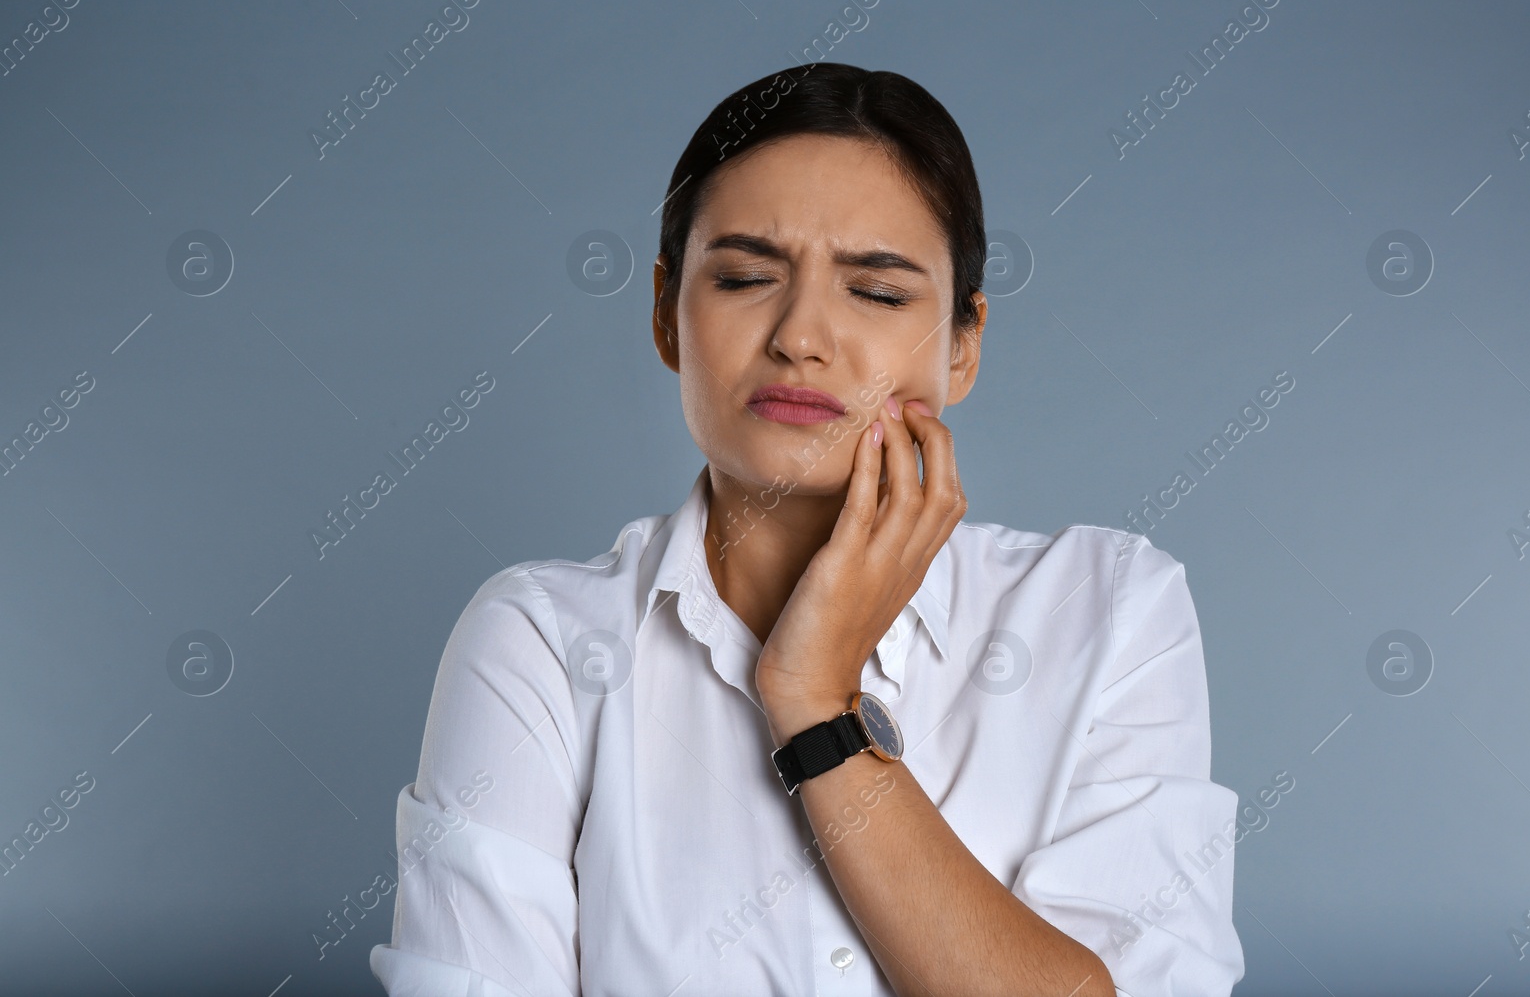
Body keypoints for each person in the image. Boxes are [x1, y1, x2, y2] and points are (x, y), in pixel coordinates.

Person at [370, 62, 1245, 996]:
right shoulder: (541, 641)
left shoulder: (1108, 610)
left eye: (877, 292)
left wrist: (816, 705)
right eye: (746, 276)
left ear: (963, 342)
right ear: (666, 313)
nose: (801, 335)